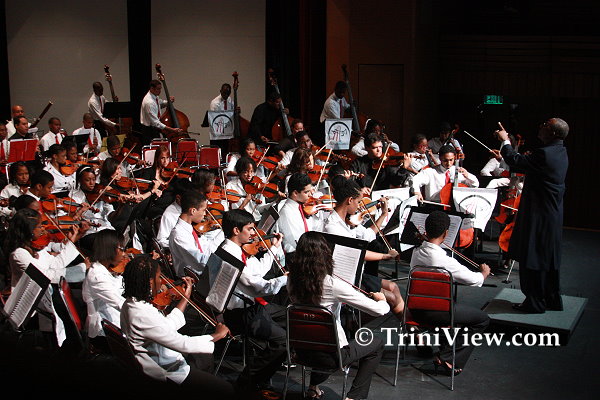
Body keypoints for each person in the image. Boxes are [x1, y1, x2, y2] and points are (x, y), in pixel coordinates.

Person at [288, 231, 389, 400]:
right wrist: (382, 300)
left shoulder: (291, 280)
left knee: (318, 337)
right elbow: (379, 311)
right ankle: (354, 397)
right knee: (376, 343)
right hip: (331, 356)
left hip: (301, 351)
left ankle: (313, 387)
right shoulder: (332, 284)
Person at [120, 254, 235, 397]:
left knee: (205, 360)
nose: (161, 282)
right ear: (150, 282)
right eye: (158, 277)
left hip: (158, 357)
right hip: (165, 372)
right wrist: (217, 335)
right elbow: (183, 344)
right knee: (227, 390)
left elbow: (166, 326)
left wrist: (186, 296)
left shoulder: (130, 304)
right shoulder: (142, 314)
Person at [495, 118, 568, 313]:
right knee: (548, 258)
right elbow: (526, 165)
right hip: (551, 215)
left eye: (545, 125)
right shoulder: (560, 151)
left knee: (533, 257)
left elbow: (516, 161)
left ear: (553, 133)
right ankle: (551, 299)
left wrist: (505, 141)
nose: (541, 126)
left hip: (538, 216)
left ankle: (535, 302)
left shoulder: (544, 153)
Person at [410, 211, 491, 374]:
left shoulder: (416, 253)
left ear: (426, 230)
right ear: (446, 233)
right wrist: (484, 273)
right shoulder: (443, 260)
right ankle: (448, 358)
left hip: (415, 311)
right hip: (437, 313)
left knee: (449, 304)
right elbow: (474, 280)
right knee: (482, 319)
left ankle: (446, 350)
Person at [218, 209, 287, 392]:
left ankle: (263, 374)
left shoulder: (236, 250)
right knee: (283, 342)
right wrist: (285, 279)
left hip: (250, 306)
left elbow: (257, 271)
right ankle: (248, 381)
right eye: (249, 229)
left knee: (291, 316)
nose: (253, 234)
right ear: (236, 230)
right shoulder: (231, 255)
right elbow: (257, 287)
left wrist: (274, 248)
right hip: (239, 313)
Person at [82, 229, 125, 353]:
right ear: (109, 249)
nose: (124, 254)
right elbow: (120, 304)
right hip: (103, 332)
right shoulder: (97, 276)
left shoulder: (103, 270)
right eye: (121, 249)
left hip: (112, 318)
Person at [168, 190, 220, 276]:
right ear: (193, 211)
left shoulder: (190, 228)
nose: (205, 214)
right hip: (193, 277)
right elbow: (200, 262)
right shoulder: (179, 235)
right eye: (203, 210)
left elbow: (206, 248)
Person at [411, 144, 479, 203]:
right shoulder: (430, 171)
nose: (448, 163)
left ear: (454, 158)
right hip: (435, 205)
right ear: (440, 158)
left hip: (453, 205)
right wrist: (417, 192)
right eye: (445, 160)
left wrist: (467, 175)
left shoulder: (458, 170)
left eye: (451, 160)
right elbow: (415, 180)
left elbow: (475, 185)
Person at [139, 79, 183, 145]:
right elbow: (155, 122)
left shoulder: (154, 96)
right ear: (152, 88)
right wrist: (172, 130)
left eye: (160, 89)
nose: (160, 91)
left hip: (154, 129)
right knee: (153, 148)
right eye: (158, 89)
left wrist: (169, 102)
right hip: (149, 130)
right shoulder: (149, 102)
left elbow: (160, 104)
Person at [209, 83, 235, 157]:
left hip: (227, 132)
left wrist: (236, 112)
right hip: (217, 133)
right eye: (224, 93)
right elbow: (213, 119)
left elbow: (232, 115)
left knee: (226, 153)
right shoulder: (214, 103)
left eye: (228, 93)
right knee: (216, 154)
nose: (226, 95)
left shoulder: (230, 101)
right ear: (220, 91)